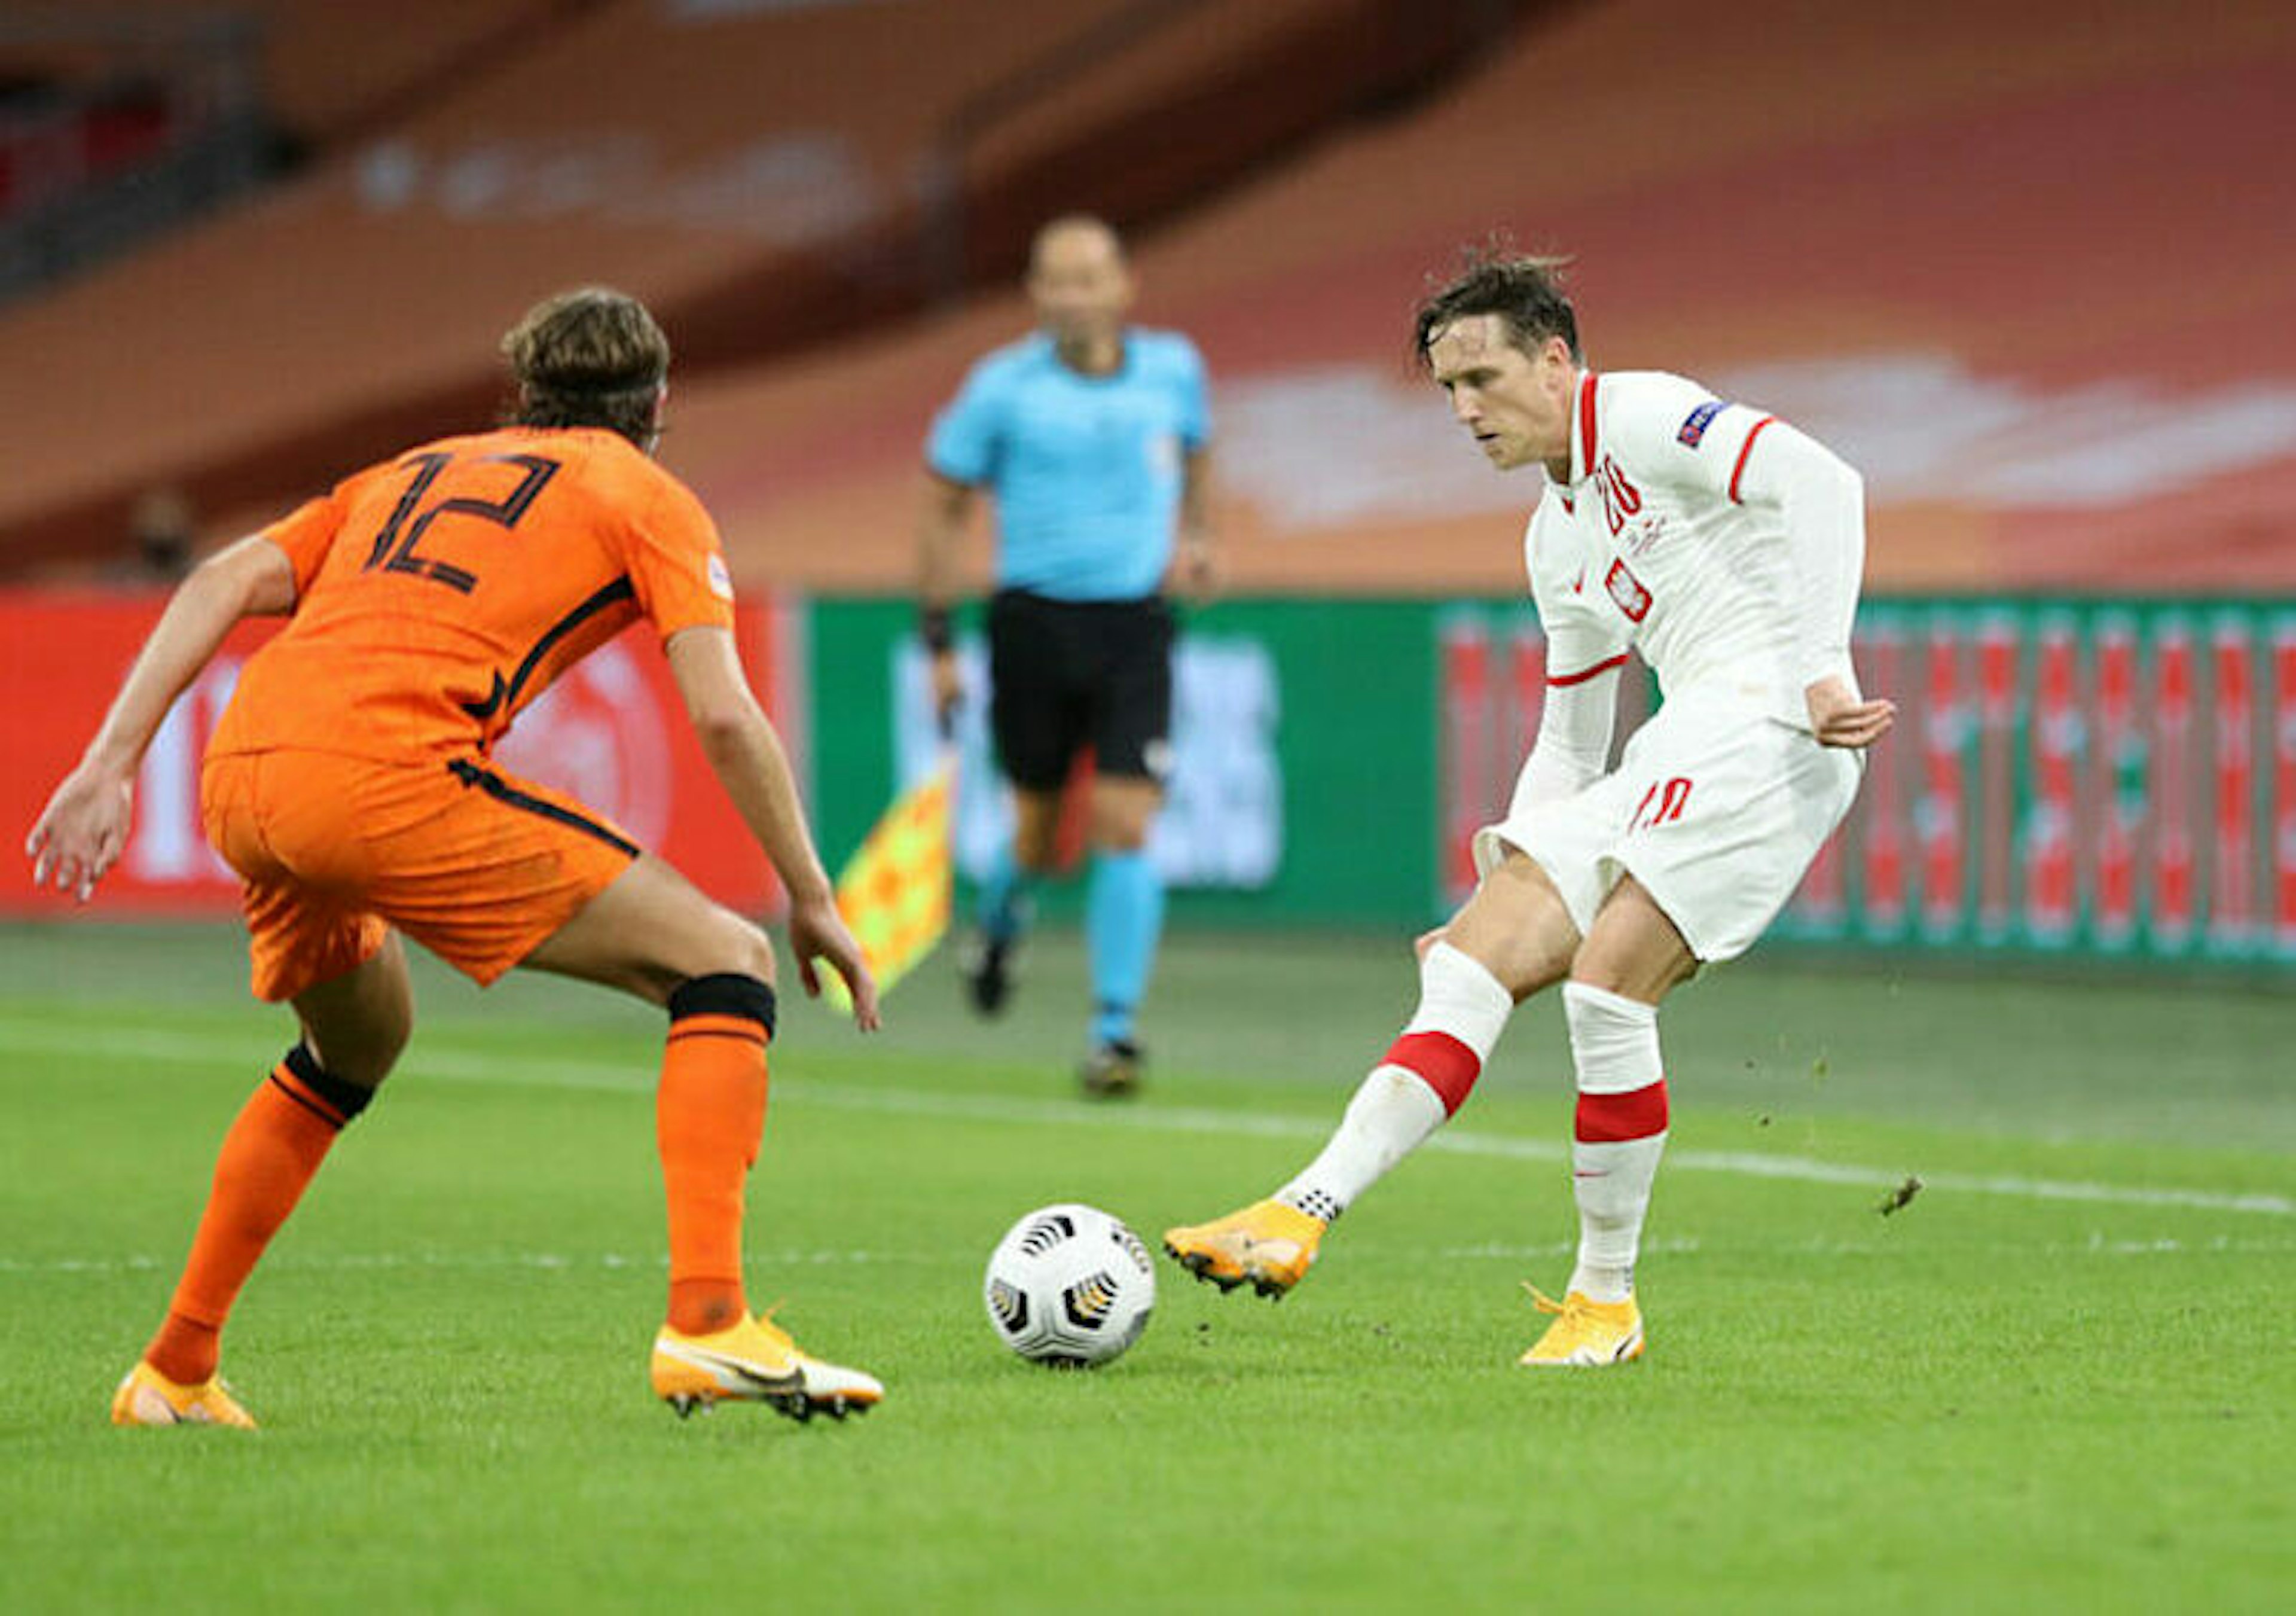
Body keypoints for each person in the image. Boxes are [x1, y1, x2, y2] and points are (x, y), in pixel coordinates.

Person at [26, 288, 886, 1427]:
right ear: (660, 402)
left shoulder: (412, 469)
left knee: (356, 1045)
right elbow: (725, 717)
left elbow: (221, 579)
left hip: (245, 772)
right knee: (725, 960)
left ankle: (174, 1370)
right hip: (379, 774)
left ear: (522, 390)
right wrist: (813, 896)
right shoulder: (647, 496)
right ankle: (711, 1321)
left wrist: (110, 763)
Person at [1163, 251, 1895, 1366]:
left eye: (1484, 379)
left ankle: (1605, 1302)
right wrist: (1506, 882)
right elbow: (1570, 741)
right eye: (1450, 390)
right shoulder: (1556, 536)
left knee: (1606, 987)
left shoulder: (1643, 415)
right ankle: (1295, 1211)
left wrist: (1819, 667)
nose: (1466, 410)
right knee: (1470, 956)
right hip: (1689, 734)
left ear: (1556, 361)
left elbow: (1826, 482)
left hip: (1775, 728)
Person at [917, 214, 1214, 1099]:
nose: (1072, 296)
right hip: (1033, 622)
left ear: (1123, 286)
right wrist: (937, 635)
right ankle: (1002, 921)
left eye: (1089, 279)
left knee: (1126, 823)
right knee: (1041, 836)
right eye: (1055, 280)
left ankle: (1113, 1032)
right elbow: (941, 504)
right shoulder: (1001, 389)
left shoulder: (1174, 370)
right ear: (1035, 293)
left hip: (1136, 624)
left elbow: (1199, 455)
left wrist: (1198, 536)